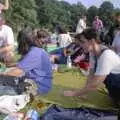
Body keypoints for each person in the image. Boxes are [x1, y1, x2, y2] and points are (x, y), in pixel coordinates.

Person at [64, 28, 120, 104]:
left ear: (92, 41)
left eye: (83, 42)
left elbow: (95, 84)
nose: (80, 45)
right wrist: (84, 92)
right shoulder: (92, 53)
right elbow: (91, 74)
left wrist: (74, 93)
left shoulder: (107, 55)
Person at [2, 28, 53, 95]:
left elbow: (17, 71)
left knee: (3, 88)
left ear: (22, 41)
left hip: (38, 86)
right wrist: (9, 64)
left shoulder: (35, 52)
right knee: (5, 81)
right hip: (34, 82)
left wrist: (2, 75)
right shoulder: (35, 50)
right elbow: (22, 64)